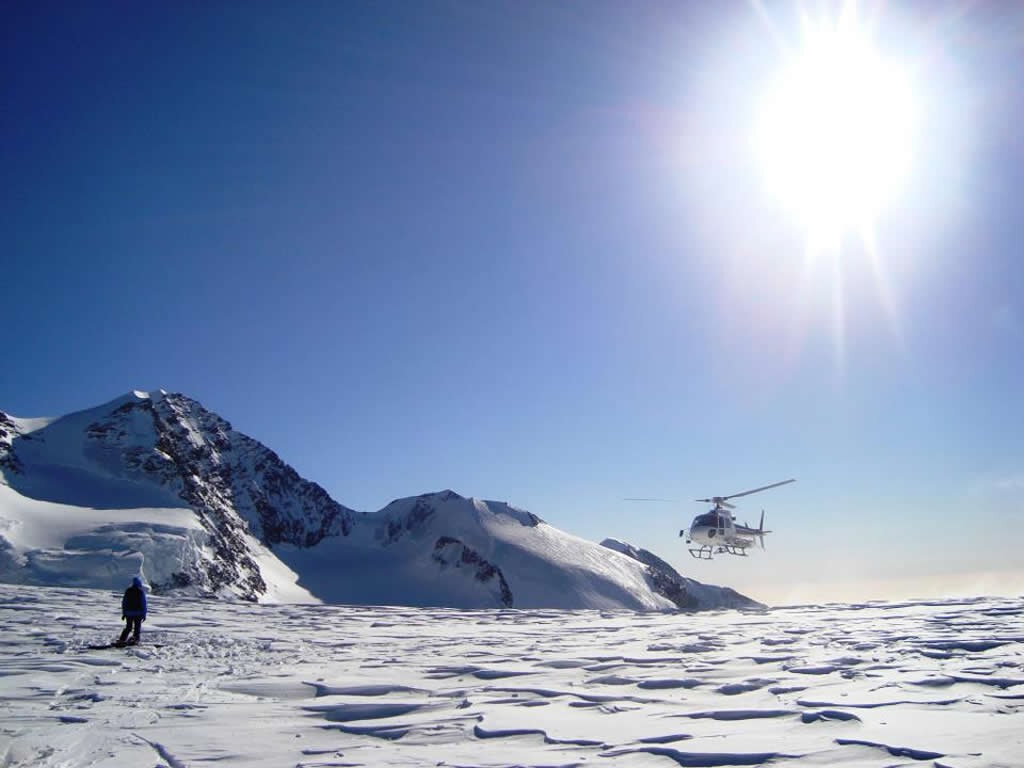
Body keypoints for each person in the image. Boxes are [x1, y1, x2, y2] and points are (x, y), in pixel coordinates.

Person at [119, 576, 147, 645]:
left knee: (128, 627)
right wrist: (144, 614)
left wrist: (124, 613)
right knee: (137, 628)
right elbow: (143, 603)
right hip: (138, 613)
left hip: (129, 613)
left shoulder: (128, 591)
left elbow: (124, 602)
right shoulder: (140, 591)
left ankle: (122, 639)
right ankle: (135, 639)